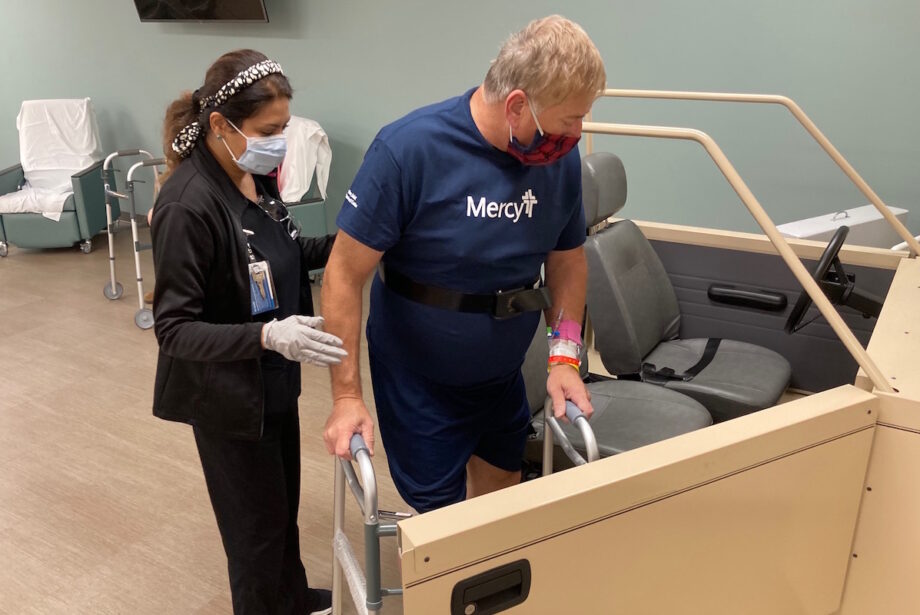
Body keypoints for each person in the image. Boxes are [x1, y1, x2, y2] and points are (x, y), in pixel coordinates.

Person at [321, 16, 605, 513]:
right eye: (568, 121)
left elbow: (567, 260)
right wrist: (346, 396)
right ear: (517, 105)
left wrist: (564, 356)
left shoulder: (557, 163)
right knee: (441, 521)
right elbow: (343, 275)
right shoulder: (409, 150)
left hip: (501, 373)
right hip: (419, 380)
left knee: (501, 494)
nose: (577, 135)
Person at [150, 49, 344, 615]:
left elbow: (286, 252)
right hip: (229, 399)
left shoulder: (253, 175)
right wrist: (264, 337)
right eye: (270, 130)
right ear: (219, 124)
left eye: (284, 128)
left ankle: (292, 596)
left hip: (274, 384)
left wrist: (354, 246)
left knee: (280, 508)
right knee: (253, 536)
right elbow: (175, 330)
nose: (280, 141)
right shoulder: (188, 205)